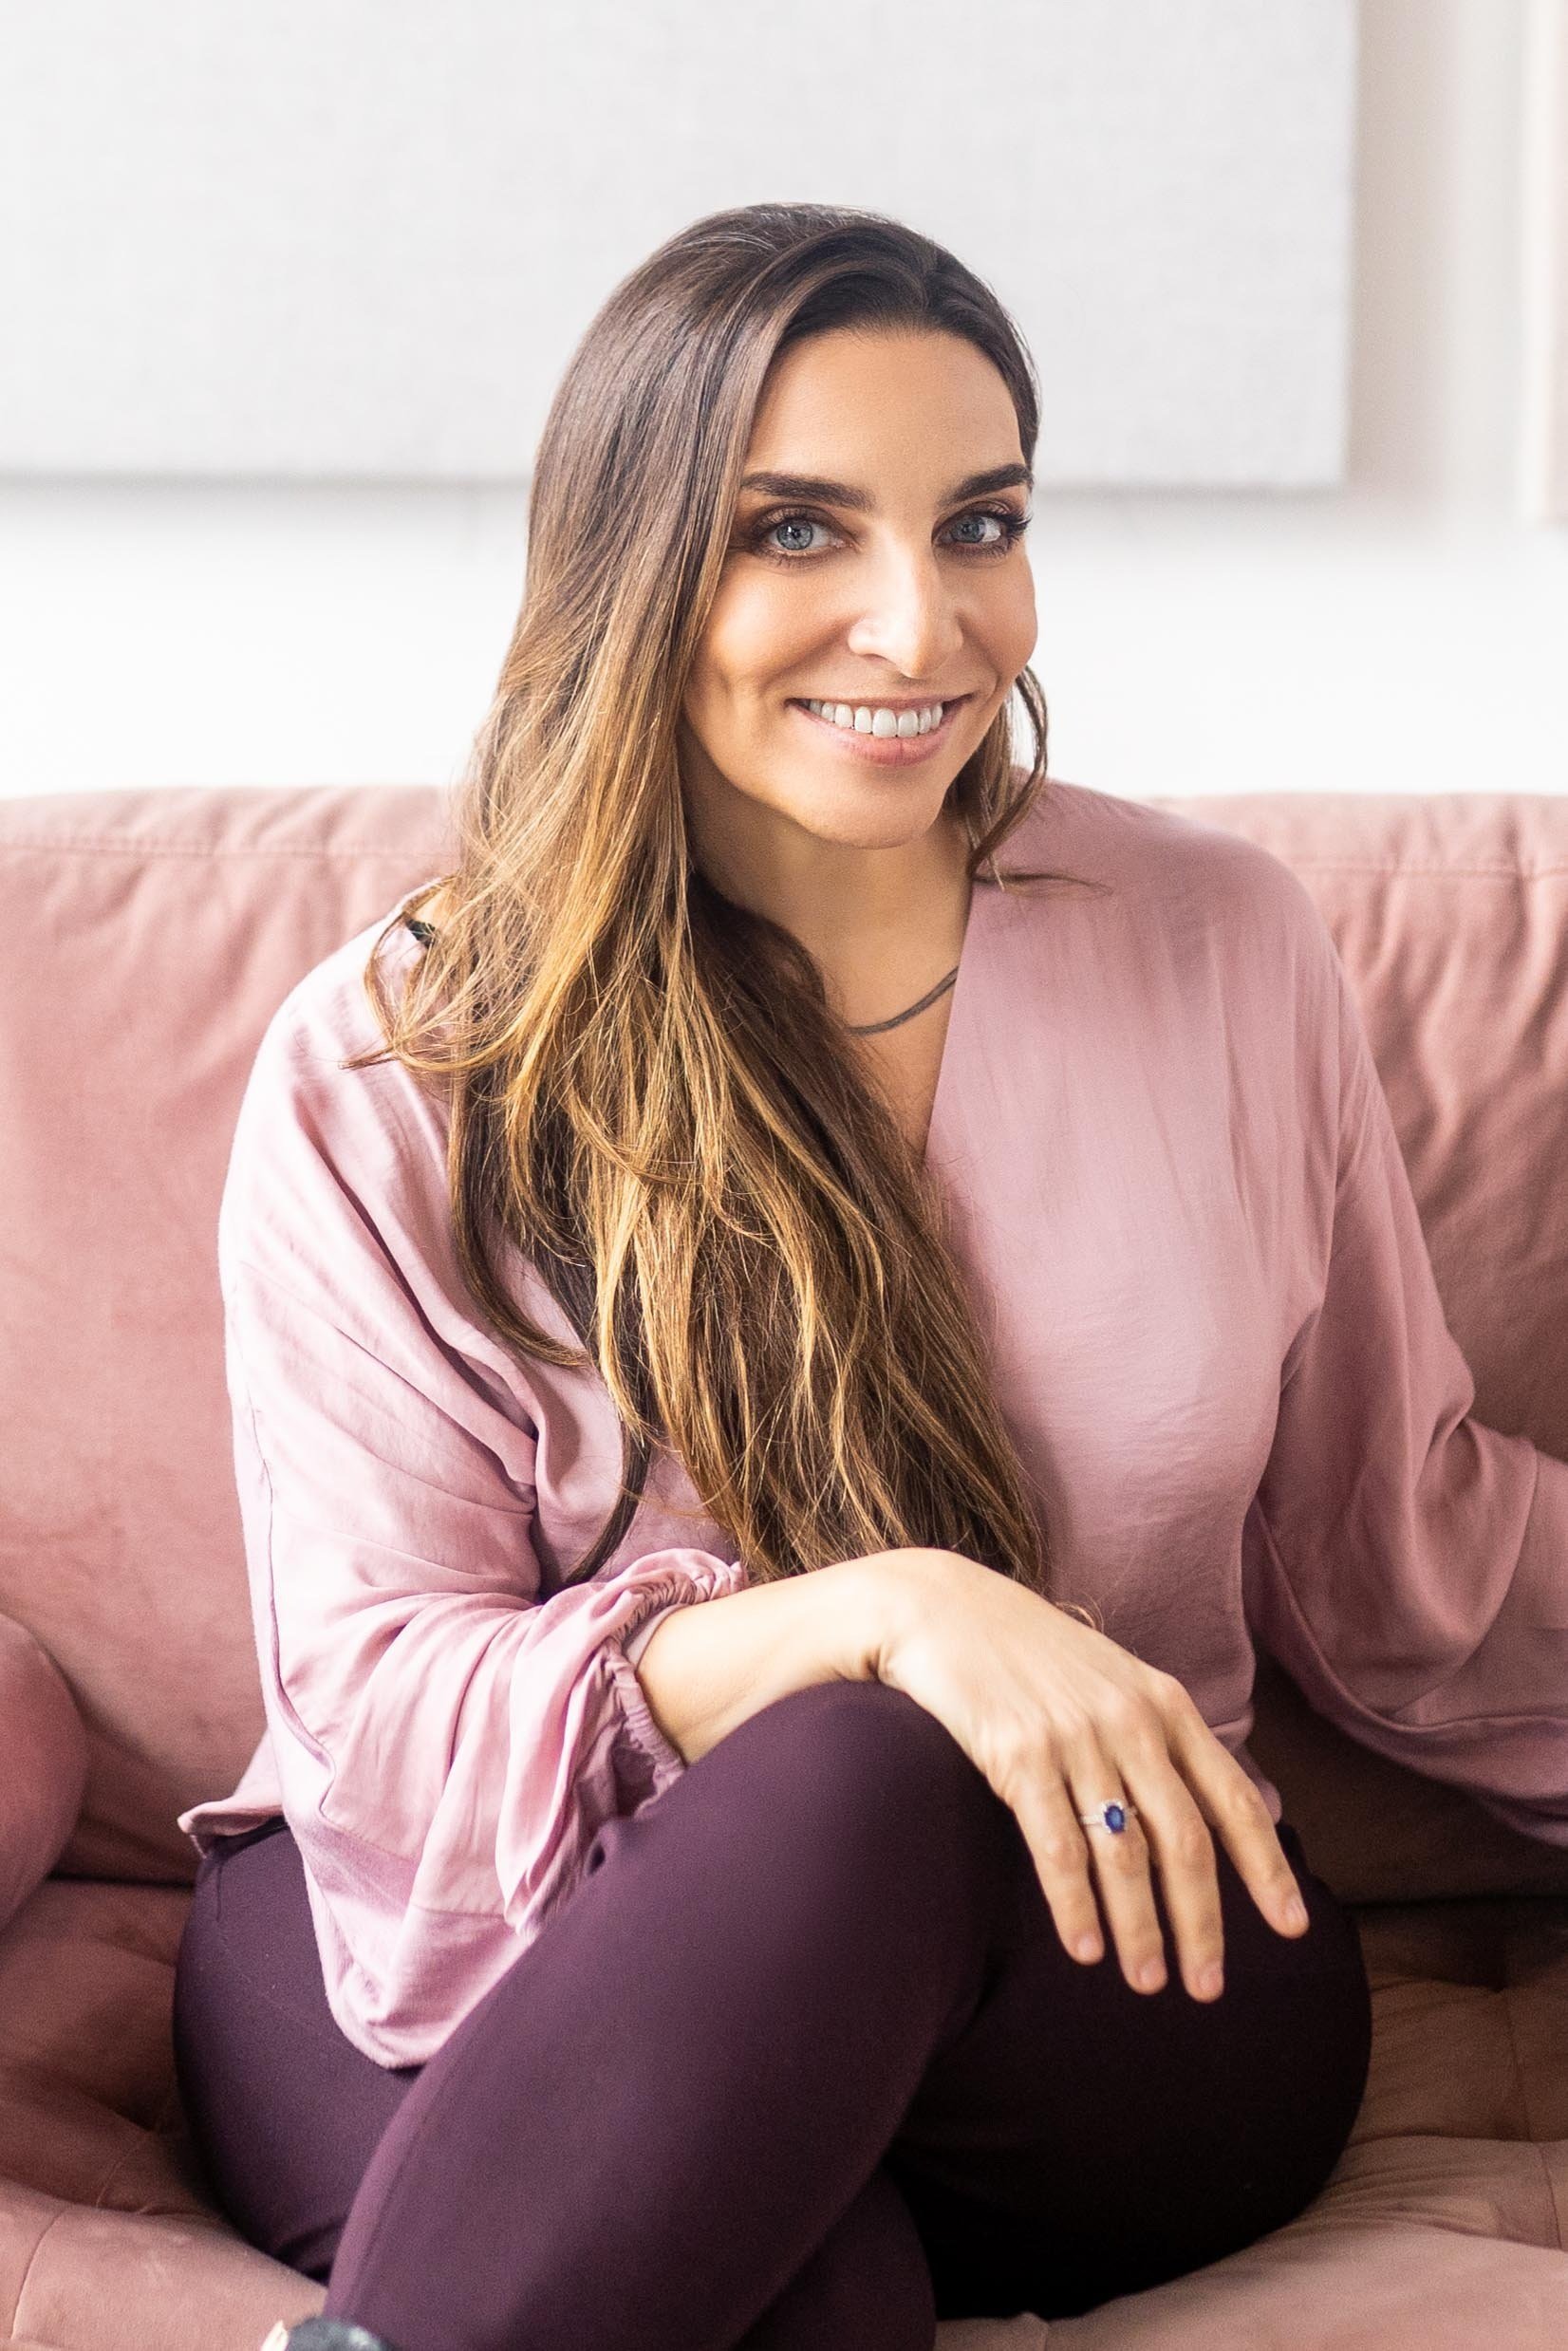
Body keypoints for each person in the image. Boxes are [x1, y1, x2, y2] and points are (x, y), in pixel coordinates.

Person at [171, 204, 1568, 2351]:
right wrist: (887, 1612)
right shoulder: (396, 1060)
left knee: (863, 1775)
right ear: (634, 566)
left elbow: (1411, 1546)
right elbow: (378, 1717)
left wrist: (894, 1688)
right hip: (491, 1924)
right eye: (796, 530)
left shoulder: (1216, 949)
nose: (918, 622)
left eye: (978, 521)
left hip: (1100, 1947)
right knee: (790, 2262)